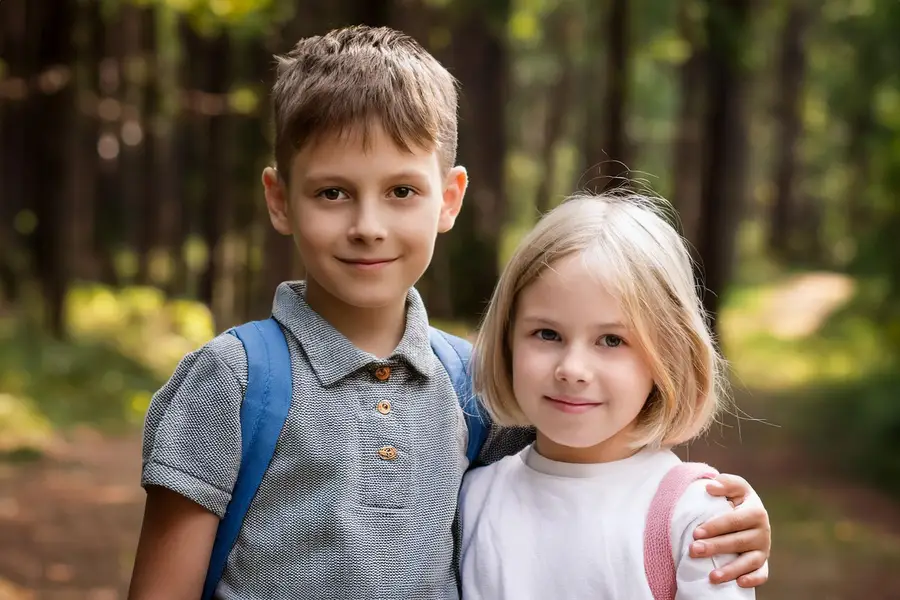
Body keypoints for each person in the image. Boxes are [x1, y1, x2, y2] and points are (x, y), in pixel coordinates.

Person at [128, 26, 771, 600]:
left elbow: (585, 476)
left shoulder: (477, 387)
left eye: (402, 190)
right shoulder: (230, 382)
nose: (368, 226)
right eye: (332, 193)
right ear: (280, 199)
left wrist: (714, 518)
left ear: (450, 198)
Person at [460, 192, 764, 599]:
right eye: (547, 334)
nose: (572, 369)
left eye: (611, 339)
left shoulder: (693, 518)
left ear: (667, 355)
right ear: (508, 340)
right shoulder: (471, 498)